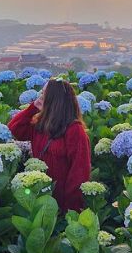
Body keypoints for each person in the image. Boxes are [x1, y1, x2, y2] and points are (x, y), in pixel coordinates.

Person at [8, 78, 91, 212]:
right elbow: (14, 128)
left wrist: (70, 210)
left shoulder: (74, 130)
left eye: (44, 93)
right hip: (38, 198)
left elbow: (79, 173)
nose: (40, 96)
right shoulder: (40, 124)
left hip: (61, 205)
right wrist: (32, 108)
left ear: (54, 99)